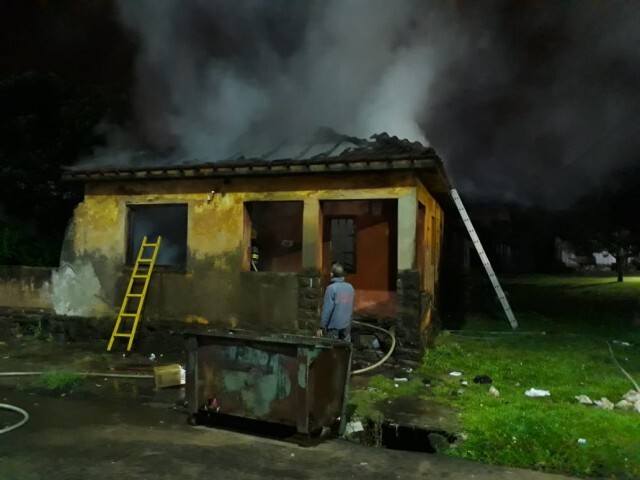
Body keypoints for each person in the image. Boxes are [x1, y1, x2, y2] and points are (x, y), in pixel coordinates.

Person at [316, 263, 354, 341]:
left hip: (334, 325)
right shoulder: (350, 287)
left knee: (332, 348)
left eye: (331, 272)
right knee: (346, 347)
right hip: (347, 323)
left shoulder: (331, 288)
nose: (330, 273)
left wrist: (322, 326)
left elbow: (327, 309)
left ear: (333, 274)